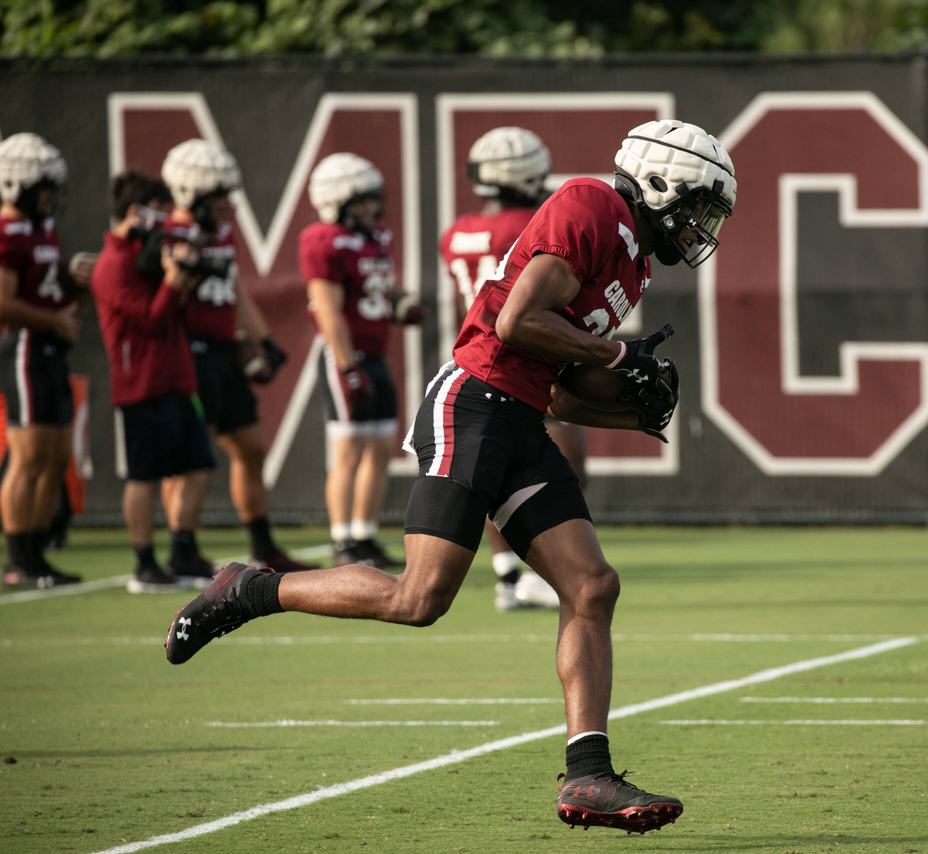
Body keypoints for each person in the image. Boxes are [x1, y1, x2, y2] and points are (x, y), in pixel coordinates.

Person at [165, 119, 735, 835]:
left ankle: (588, 772)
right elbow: (517, 324)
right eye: (698, 205)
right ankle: (249, 589)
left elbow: (556, 385)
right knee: (420, 597)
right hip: (473, 402)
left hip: (520, 416)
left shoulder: (637, 258)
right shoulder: (594, 206)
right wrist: (619, 358)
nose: (700, 225)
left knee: (593, 585)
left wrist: (632, 414)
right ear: (658, 180)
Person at [158, 140, 313, 577]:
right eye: (217, 196)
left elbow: (236, 288)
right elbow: (170, 300)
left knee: (251, 447)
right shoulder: (169, 235)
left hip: (224, 351)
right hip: (189, 351)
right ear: (190, 193)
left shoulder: (219, 233)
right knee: (194, 456)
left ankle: (263, 546)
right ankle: (180, 548)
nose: (226, 206)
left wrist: (264, 339)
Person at [439, 126, 571, 612]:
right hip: (531, 356)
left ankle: (508, 574)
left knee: (496, 473)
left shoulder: (455, 232)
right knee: (558, 468)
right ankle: (539, 571)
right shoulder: (535, 220)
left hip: (476, 357)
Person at [92, 171, 217, 593]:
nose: (166, 222)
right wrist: (172, 279)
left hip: (177, 379)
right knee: (144, 476)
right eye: (160, 213)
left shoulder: (149, 254)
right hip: (141, 384)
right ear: (135, 213)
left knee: (199, 465)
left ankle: (182, 549)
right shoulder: (113, 263)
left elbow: (176, 312)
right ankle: (144, 563)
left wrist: (185, 277)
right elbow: (148, 319)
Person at [299, 153, 424, 568]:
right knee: (349, 448)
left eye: (373, 199)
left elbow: (375, 291)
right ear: (337, 202)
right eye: (362, 201)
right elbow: (328, 310)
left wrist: (399, 303)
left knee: (380, 447)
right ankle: (342, 542)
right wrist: (347, 365)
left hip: (376, 353)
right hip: (345, 356)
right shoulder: (323, 240)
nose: (372, 208)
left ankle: (364, 536)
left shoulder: (375, 237)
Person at [0, 132, 94, 589]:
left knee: (55, 457)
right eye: (43, 189)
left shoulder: (42, 229)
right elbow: (2, 301)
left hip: (48, 348)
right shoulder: (7, 229)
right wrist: (53, 321)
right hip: (22, 347)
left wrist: (74, 284)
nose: (50, 198)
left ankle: (35, 554)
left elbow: (45, 290)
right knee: (29, 455)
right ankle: (17, 557)